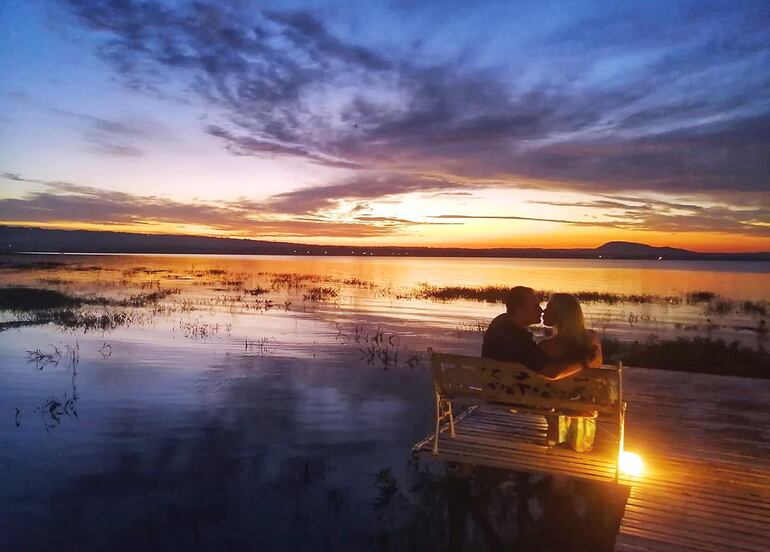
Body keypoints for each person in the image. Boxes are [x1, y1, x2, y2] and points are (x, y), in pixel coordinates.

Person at [481, 286, 590, 381]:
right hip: (513, 395)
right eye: (535, 306)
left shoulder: (500, 322)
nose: (541, 310)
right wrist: (586, 359)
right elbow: (550, 372)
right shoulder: (517, 338)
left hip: (496, 387)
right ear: (519, 310)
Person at [541, 293, 603, 451]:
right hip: (585, 411)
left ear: (559, 316)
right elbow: (596, 367)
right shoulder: (592, 340)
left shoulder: (547, 347)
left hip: (557, 411)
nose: (543, 311)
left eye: (548, 309)